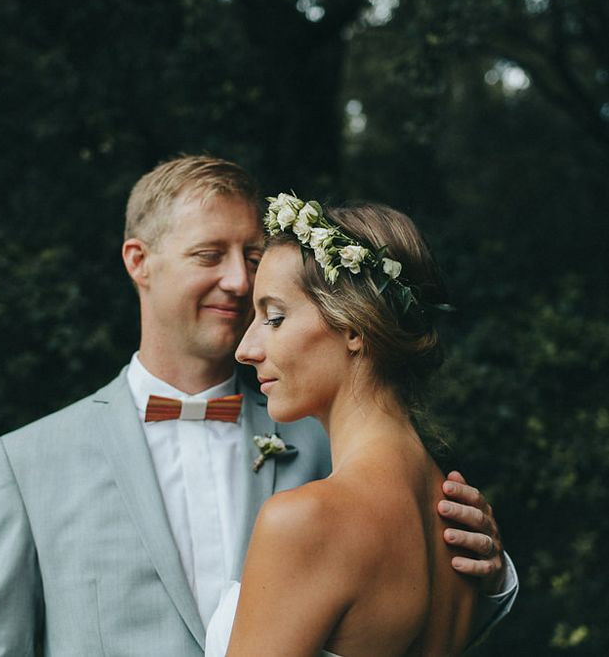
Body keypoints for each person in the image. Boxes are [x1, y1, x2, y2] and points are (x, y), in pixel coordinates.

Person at [0, 156, 516, 657]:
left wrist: (490, 569)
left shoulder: (324, 441)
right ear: (138, 261)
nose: (238, 279)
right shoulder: (27, 463)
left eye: (251, 255)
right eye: (208, 255)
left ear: (354, 323)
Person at [205, 193, 505, 657]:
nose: (246, 350)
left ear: (354, 327)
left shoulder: (304, 522)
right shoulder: (462, 528)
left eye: (275, 318)